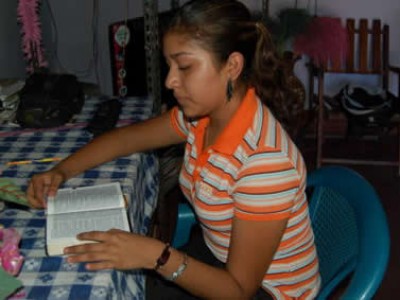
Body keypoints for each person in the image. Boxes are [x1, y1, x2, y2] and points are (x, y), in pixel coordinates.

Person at [27, 0, 321, 299]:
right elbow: (126, 139)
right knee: (107, 272)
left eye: (184, 66)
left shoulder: (265, 164)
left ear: (232, 66)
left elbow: (238, 290)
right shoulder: (202, 117)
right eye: (169, 66)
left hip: (264, 291)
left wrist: (157, 256)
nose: (170, 81)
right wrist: (61, 171)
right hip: (218, 257)